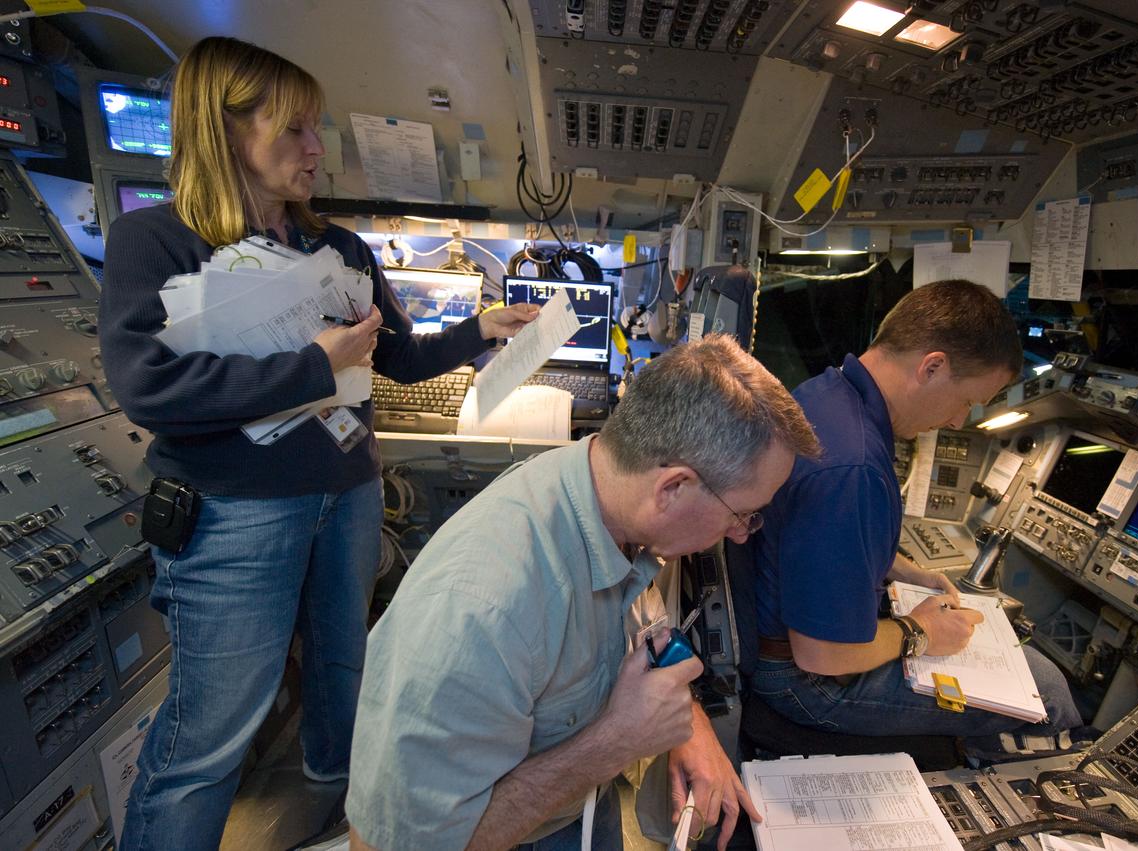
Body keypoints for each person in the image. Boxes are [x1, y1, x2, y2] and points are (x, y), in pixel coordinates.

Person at [98, 37, 537, 851]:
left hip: (347, 495)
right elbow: (149, 387)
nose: (315, 149)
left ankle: (342, 814)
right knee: (212, 731)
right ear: (227, 130)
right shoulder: (155, 241)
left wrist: (482, 328)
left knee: (343, 674)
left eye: (316, 129)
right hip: (234, 515)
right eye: (295, 129)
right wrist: (312, 365)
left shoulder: (338, 248)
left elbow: (398, 357)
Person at [345, 334, 821, 851]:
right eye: (742, 514)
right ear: (673, 488)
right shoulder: (482, 609)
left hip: (578, 803)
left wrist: (690, 721)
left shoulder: (609, 495)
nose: (741, 534)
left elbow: (644, 623)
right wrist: (616, 741)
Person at [750, 279, 1082, 750]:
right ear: (933, 366)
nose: (958, 421)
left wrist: (907, 571)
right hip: (805, 683)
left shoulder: (827, 394)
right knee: (1046, 690)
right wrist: (919, 631)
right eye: (966, 401)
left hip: (781, 634)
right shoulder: (855, 467)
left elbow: (818, 539)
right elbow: (823, 656)